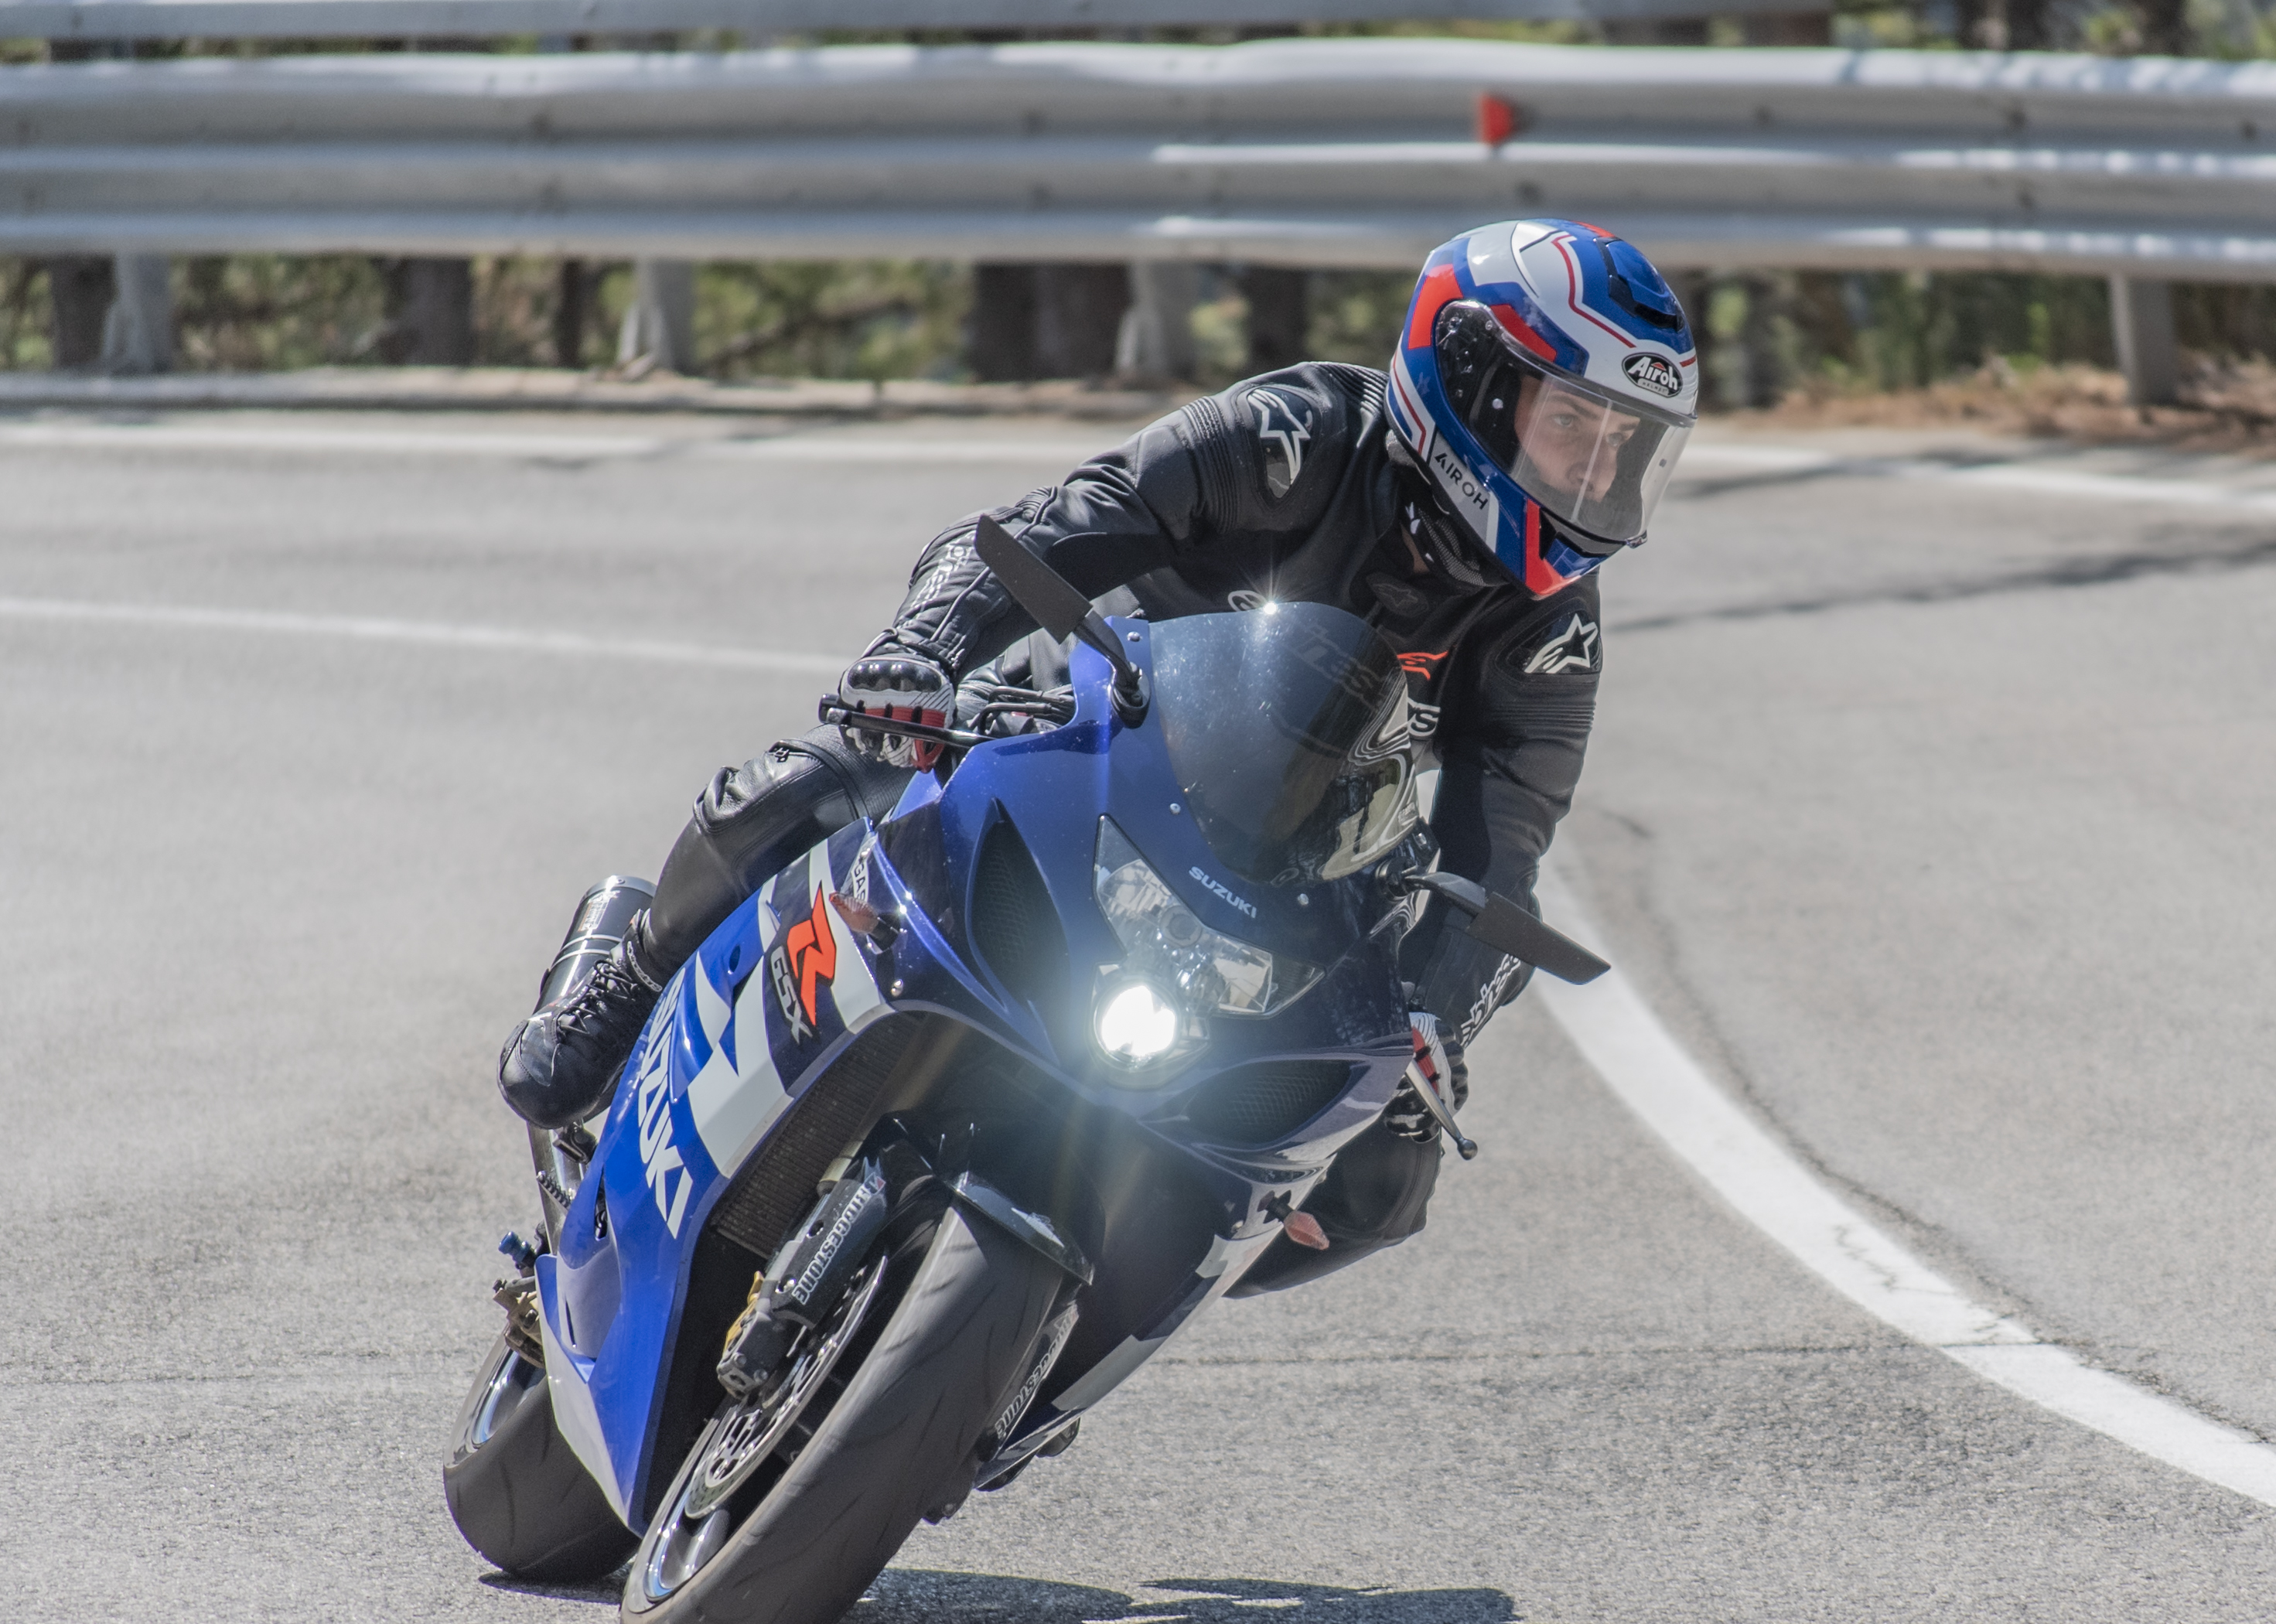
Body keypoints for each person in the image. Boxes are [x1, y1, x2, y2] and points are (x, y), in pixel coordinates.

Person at [497, 217, 1700, 1291]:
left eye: (1623, 449)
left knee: (1383, 1178)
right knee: (831, 775)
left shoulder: (1548, 632)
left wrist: (1435, 1031)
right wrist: (920, 657)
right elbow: (1057, 524)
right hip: (1070, 725)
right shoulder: (1297, 434)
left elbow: (1503, 848)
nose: (1594, 477)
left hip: (1279, 860)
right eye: (1571, 428)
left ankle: (1055, 1349)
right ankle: (631, 978)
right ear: (1472, 382)